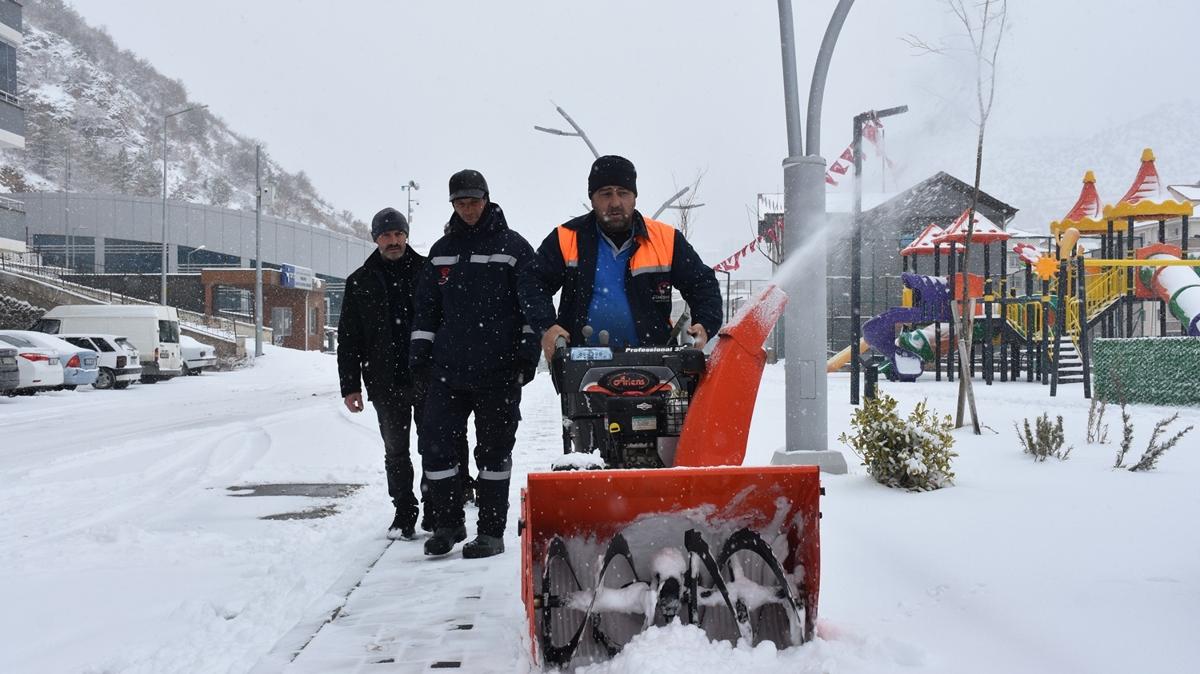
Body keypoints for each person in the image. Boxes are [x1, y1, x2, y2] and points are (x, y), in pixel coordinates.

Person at [410, 169, 539, 558]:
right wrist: (420, 359)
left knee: (493, 454)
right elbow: (426, 311)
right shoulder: (440, 251)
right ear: (452, 205)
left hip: (498, 372)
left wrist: (526, 356)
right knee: (435, 447)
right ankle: (448, 524)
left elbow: (533, 307)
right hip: (447, 372)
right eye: (460, 202)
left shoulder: (514, 248)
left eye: (474, 201)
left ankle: (491, 532)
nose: (468, 209)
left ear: (487, 199)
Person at [519, 155, 723, 361]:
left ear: (634, 197)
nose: (615, 202)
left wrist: (705, 324)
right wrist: (547, 326)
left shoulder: (666, 240)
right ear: (592, 198)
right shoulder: (566, 238)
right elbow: (532, 282)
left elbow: (702, 283)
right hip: (581, 366)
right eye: (606, 194)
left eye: (623, 193)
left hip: (654, 366)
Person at [337, 207, 427, 540]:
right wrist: (351, 386)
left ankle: (434, 509)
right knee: (396, 452)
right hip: (385, 383)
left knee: (433, 446)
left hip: (428, 378)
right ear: (376, 239)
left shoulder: (427, 272)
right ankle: (404, 512)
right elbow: (349, 339)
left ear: (406, 235)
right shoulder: (360, 282)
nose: (393, 241)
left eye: (398, 234)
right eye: (386, 235)